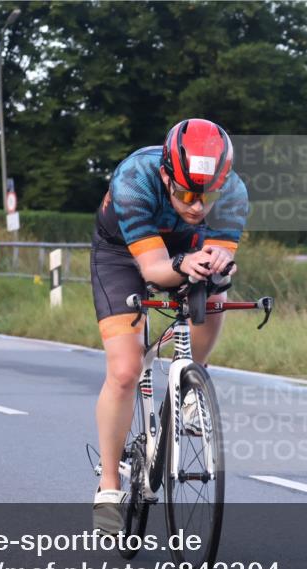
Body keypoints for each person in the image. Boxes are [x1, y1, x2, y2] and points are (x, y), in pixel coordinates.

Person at [90, 118, 248, 533]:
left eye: (207, 195)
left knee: (216, 290)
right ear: (165, 175)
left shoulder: (232, 192)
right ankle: (109, 483)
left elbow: (221, 254)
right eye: (185, 193)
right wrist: (179, 265)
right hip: (124, 253)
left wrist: (219, 263)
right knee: (125, 370)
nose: (197, 206)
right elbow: (155, 268)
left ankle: (194, 374)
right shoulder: (134, 179)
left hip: (185, 247)